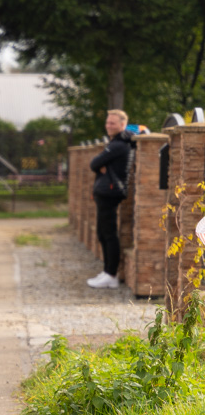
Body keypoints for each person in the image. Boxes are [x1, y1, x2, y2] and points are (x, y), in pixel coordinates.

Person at [87, 109, 134, 289]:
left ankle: (111, 274)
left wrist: (101, 165)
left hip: (109, 192)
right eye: (108, 122)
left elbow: (94, 163)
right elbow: (97, 165)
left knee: (109, 234)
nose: (108, 125)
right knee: (102, 232)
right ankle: (107, 271)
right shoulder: (115, 143)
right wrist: (101, 166)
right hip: (105, 191)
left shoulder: (118, 145)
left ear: (122, 125)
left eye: (112, 123)